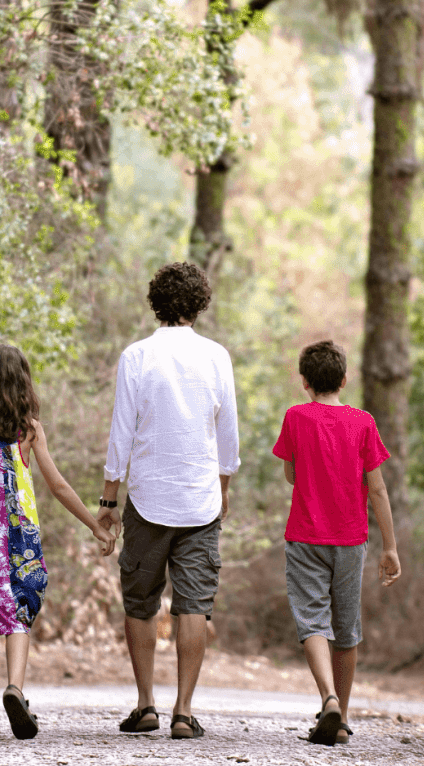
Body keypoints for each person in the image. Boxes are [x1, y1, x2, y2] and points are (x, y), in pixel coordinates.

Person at [0, 344, 114, 740]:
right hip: (19, 538)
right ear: (23, 385)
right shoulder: (29, 431)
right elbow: (58, 485)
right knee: (18, 614)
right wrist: (95, 526)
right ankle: (14, 688)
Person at [99, 262, 239, 740]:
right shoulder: (217, 357)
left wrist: (109, 499)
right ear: (199, 304)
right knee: (194, 604)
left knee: (141, 602)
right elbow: (228, 434)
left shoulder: (136, 356)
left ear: (155, 302)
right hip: (200, 500)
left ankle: (146, 704)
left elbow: (122, 431)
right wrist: (223, 488)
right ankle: (183, 711)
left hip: (147, 498)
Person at [271, 340, 401, 746]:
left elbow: (291, 475)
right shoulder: (363, 423)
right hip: (350, 539)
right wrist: (390, 547)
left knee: (312, 621)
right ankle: (341, 718)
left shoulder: (295, 417)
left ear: (304, 382)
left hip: (305, 536)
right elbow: (377, 490)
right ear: (344, 380)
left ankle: (327, 696)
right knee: (346, 628)